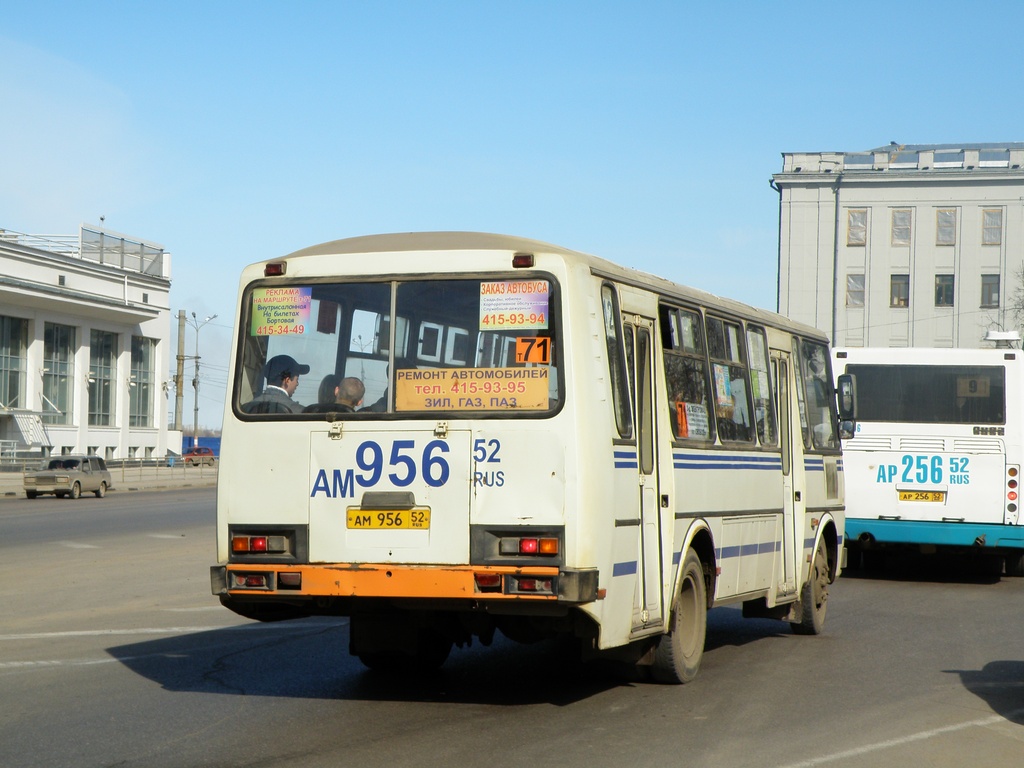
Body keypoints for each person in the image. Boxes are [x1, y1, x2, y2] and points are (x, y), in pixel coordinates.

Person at [241, 354, 309, 413]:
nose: (297, 384)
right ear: (287, 380)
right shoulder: (300, 412)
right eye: (297, 380)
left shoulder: (246, 409)